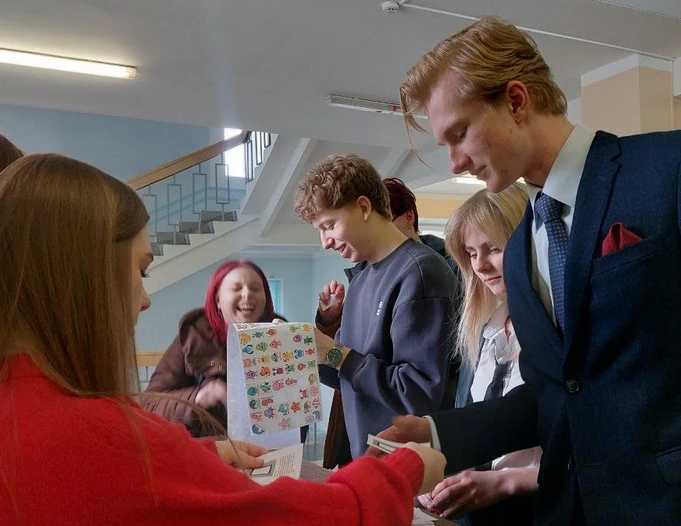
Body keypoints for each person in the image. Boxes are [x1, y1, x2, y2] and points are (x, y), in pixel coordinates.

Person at [371, 15, 681, 526]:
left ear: (516, 100)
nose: (455, 162)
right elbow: (556, 392)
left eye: (460, 134)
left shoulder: (678, 167)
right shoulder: (520, 251)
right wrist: (438, 432)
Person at [0, 153, 447, 525]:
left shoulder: (412, 272)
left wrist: (319, 352)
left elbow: (401, 385)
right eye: (142, 271)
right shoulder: (126, 415)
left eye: (255, 289)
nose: (145, 301)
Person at [295, 153, 458, 460]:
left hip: (411, 469)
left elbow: (416, 395)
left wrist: (334, 352)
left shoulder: (420, 273)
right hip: (370, 463)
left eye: (329, 225)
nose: (324, 242)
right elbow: (348, 374)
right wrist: (300, 349)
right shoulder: (361, 279)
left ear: (363, 207)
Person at [419, 185, 540, 526]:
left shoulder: (561, 333)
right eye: (471, 253)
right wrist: (444, 474)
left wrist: (504, 482)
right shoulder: (485, 331)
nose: (480, 266)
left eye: (494, 249)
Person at [143, 259, 286, 438]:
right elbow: (149, 404)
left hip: (269, 448)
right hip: (210, 448)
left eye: (256, 288)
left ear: (266, 298)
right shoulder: (193, 336)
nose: (247, 294)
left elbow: (300, 411)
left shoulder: (282, 335)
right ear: (218, 300)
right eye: (236, 288)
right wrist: (198, 397)